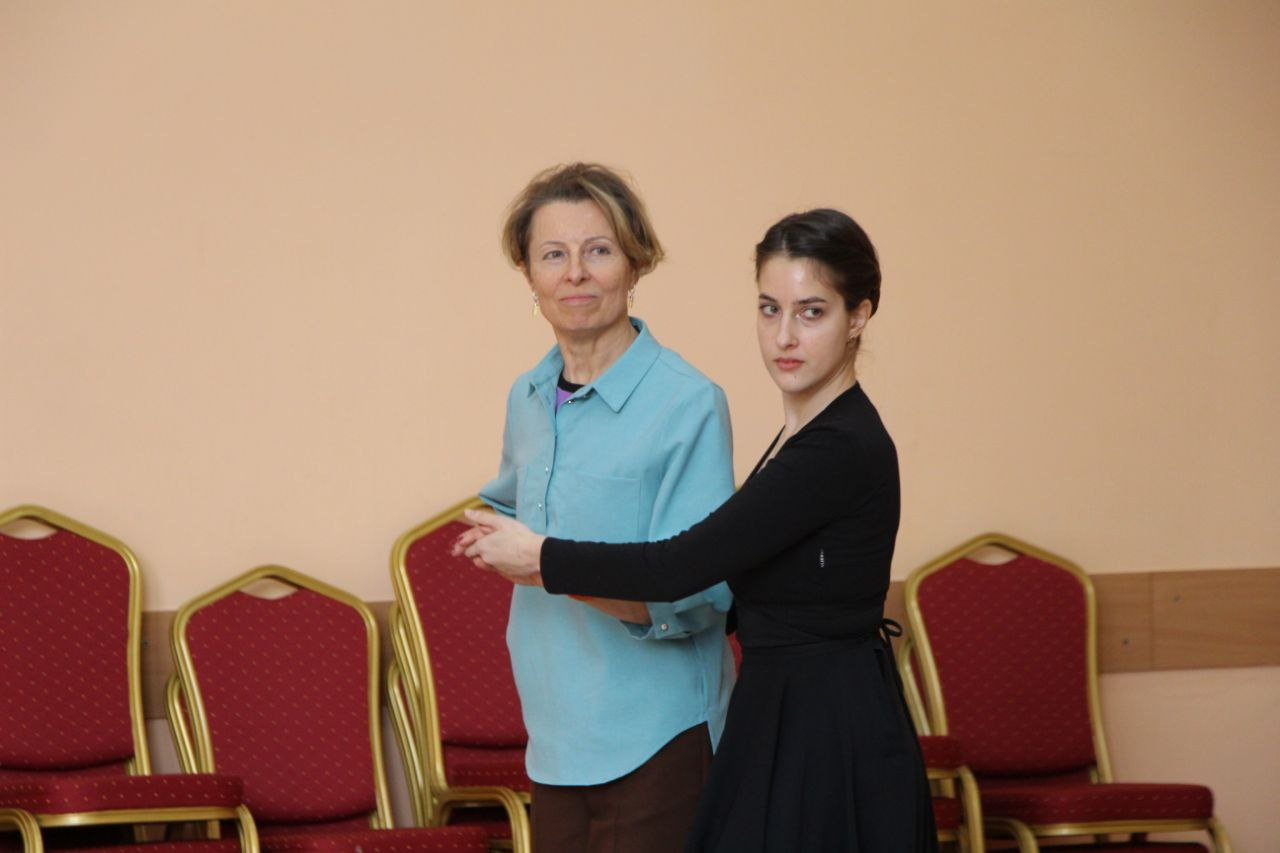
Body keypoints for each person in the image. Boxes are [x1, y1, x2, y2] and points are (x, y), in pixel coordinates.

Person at [457, 208, 938, 852]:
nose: (785, 336)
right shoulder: (805, 437)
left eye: (812, 312)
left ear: (858, 316)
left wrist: (541, 557)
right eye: (769, 309)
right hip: (789, 710)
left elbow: (680, 566)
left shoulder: (837, 446)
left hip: (824, 725)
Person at [480, 163, 737, 853]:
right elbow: (520, 512)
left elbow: (698, 595)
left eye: (598, 250)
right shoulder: (527, 397)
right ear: (528, 273)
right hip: (554, 735)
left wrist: (545, 564)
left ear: (635, 263)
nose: (575, 273)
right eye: (552, 255)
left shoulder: (688, 402)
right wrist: (497, 541)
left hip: (658, 734)